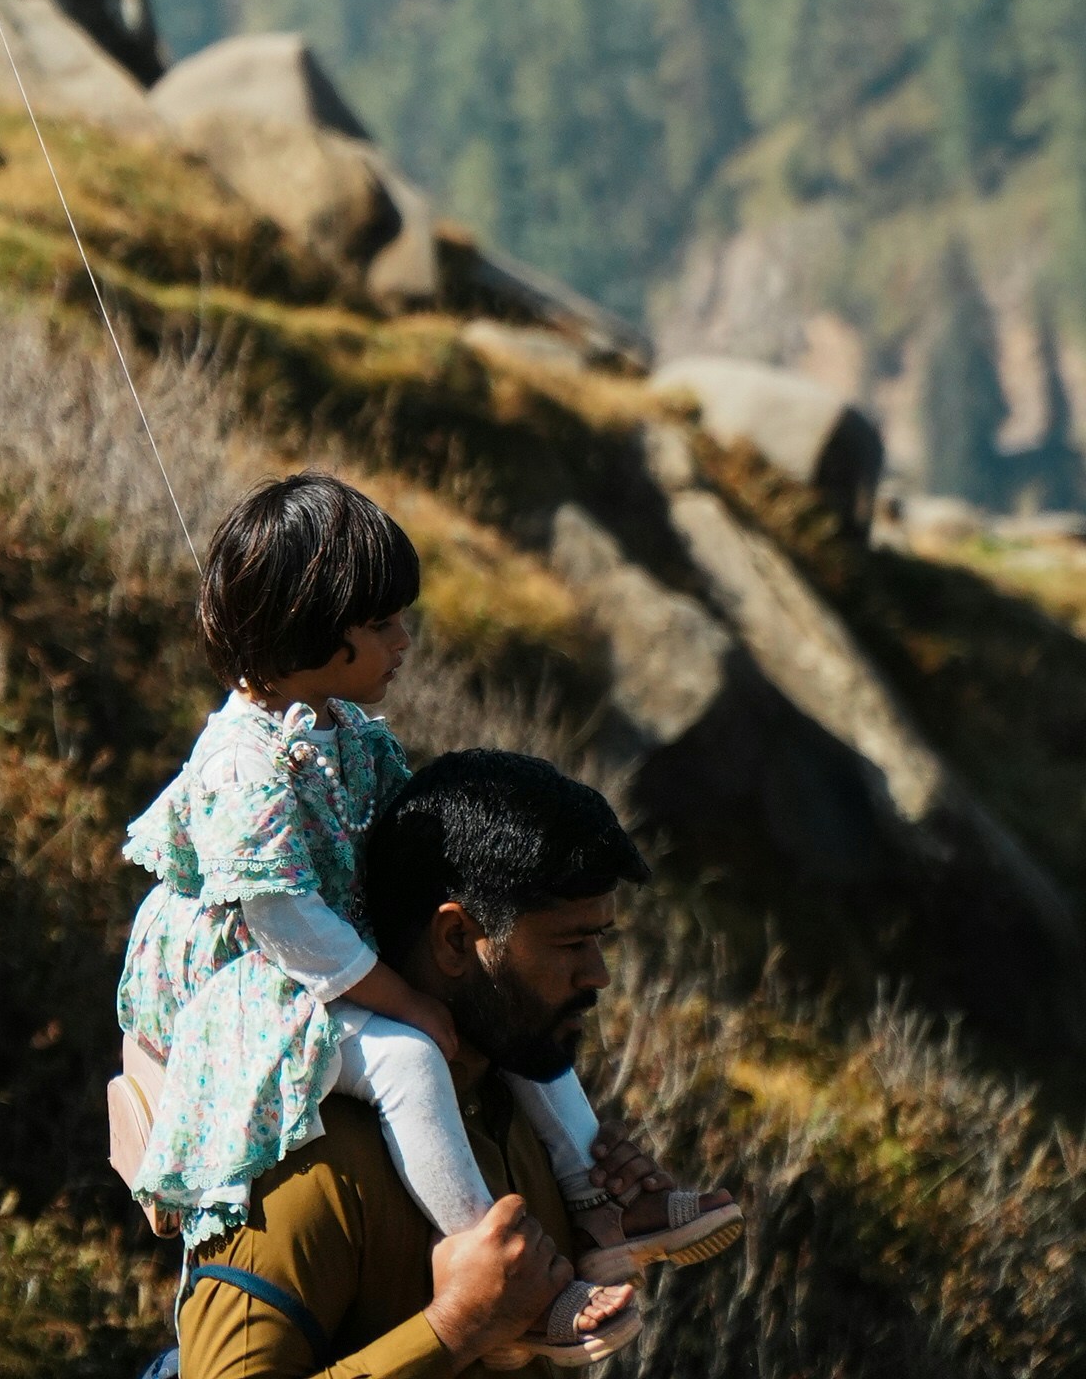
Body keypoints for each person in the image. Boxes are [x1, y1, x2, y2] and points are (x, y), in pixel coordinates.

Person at [119, 480, 731, 1361]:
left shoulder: (340, 730)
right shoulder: (242, 767)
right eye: (382, 625)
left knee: (527, 1033)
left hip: (343, 953)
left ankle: (600, 1192)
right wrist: (406, 1000)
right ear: (310, 626)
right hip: (274, 981)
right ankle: (520, 1279)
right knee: (411, 1059)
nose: (404, 641)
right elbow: (286, 918)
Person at [172, 750, 739, 1376]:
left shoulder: (529, 1127)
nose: (598, 975)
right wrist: (454, 1327)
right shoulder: (311, 1161)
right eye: (571, 942)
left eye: (601, 941)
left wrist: (595, 1226)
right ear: (455, 940)